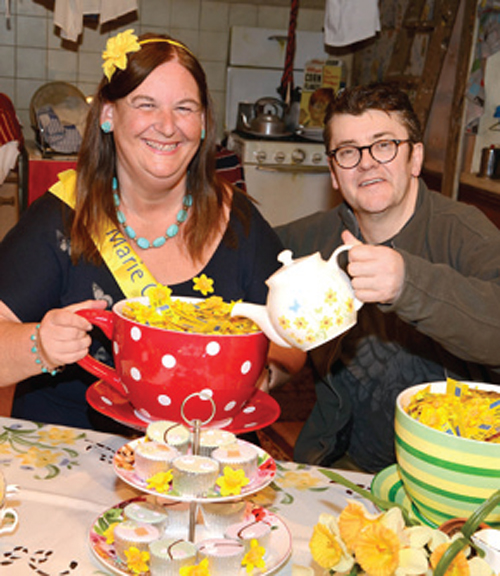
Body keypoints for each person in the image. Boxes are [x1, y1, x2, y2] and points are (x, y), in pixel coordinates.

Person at [0, 30, 304, 431]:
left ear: (202, 123)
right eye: (146, 104)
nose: (167, 126)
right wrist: (39, 345)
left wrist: (259, 378)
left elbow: (291, 334)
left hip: (205, 462)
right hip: (80, 460)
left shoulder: (238, 218)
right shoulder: (60, 218)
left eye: (185, 108)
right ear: (108, 114)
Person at [275, 82, 500, 473]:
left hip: (449, 473)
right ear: (333, 172)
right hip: (339, 469)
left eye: (383, 145)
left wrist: (407, 282)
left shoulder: (465, 233)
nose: (366, 163)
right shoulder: (309, 242)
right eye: (348, 152)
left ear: (415, 159)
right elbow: (233, 268)